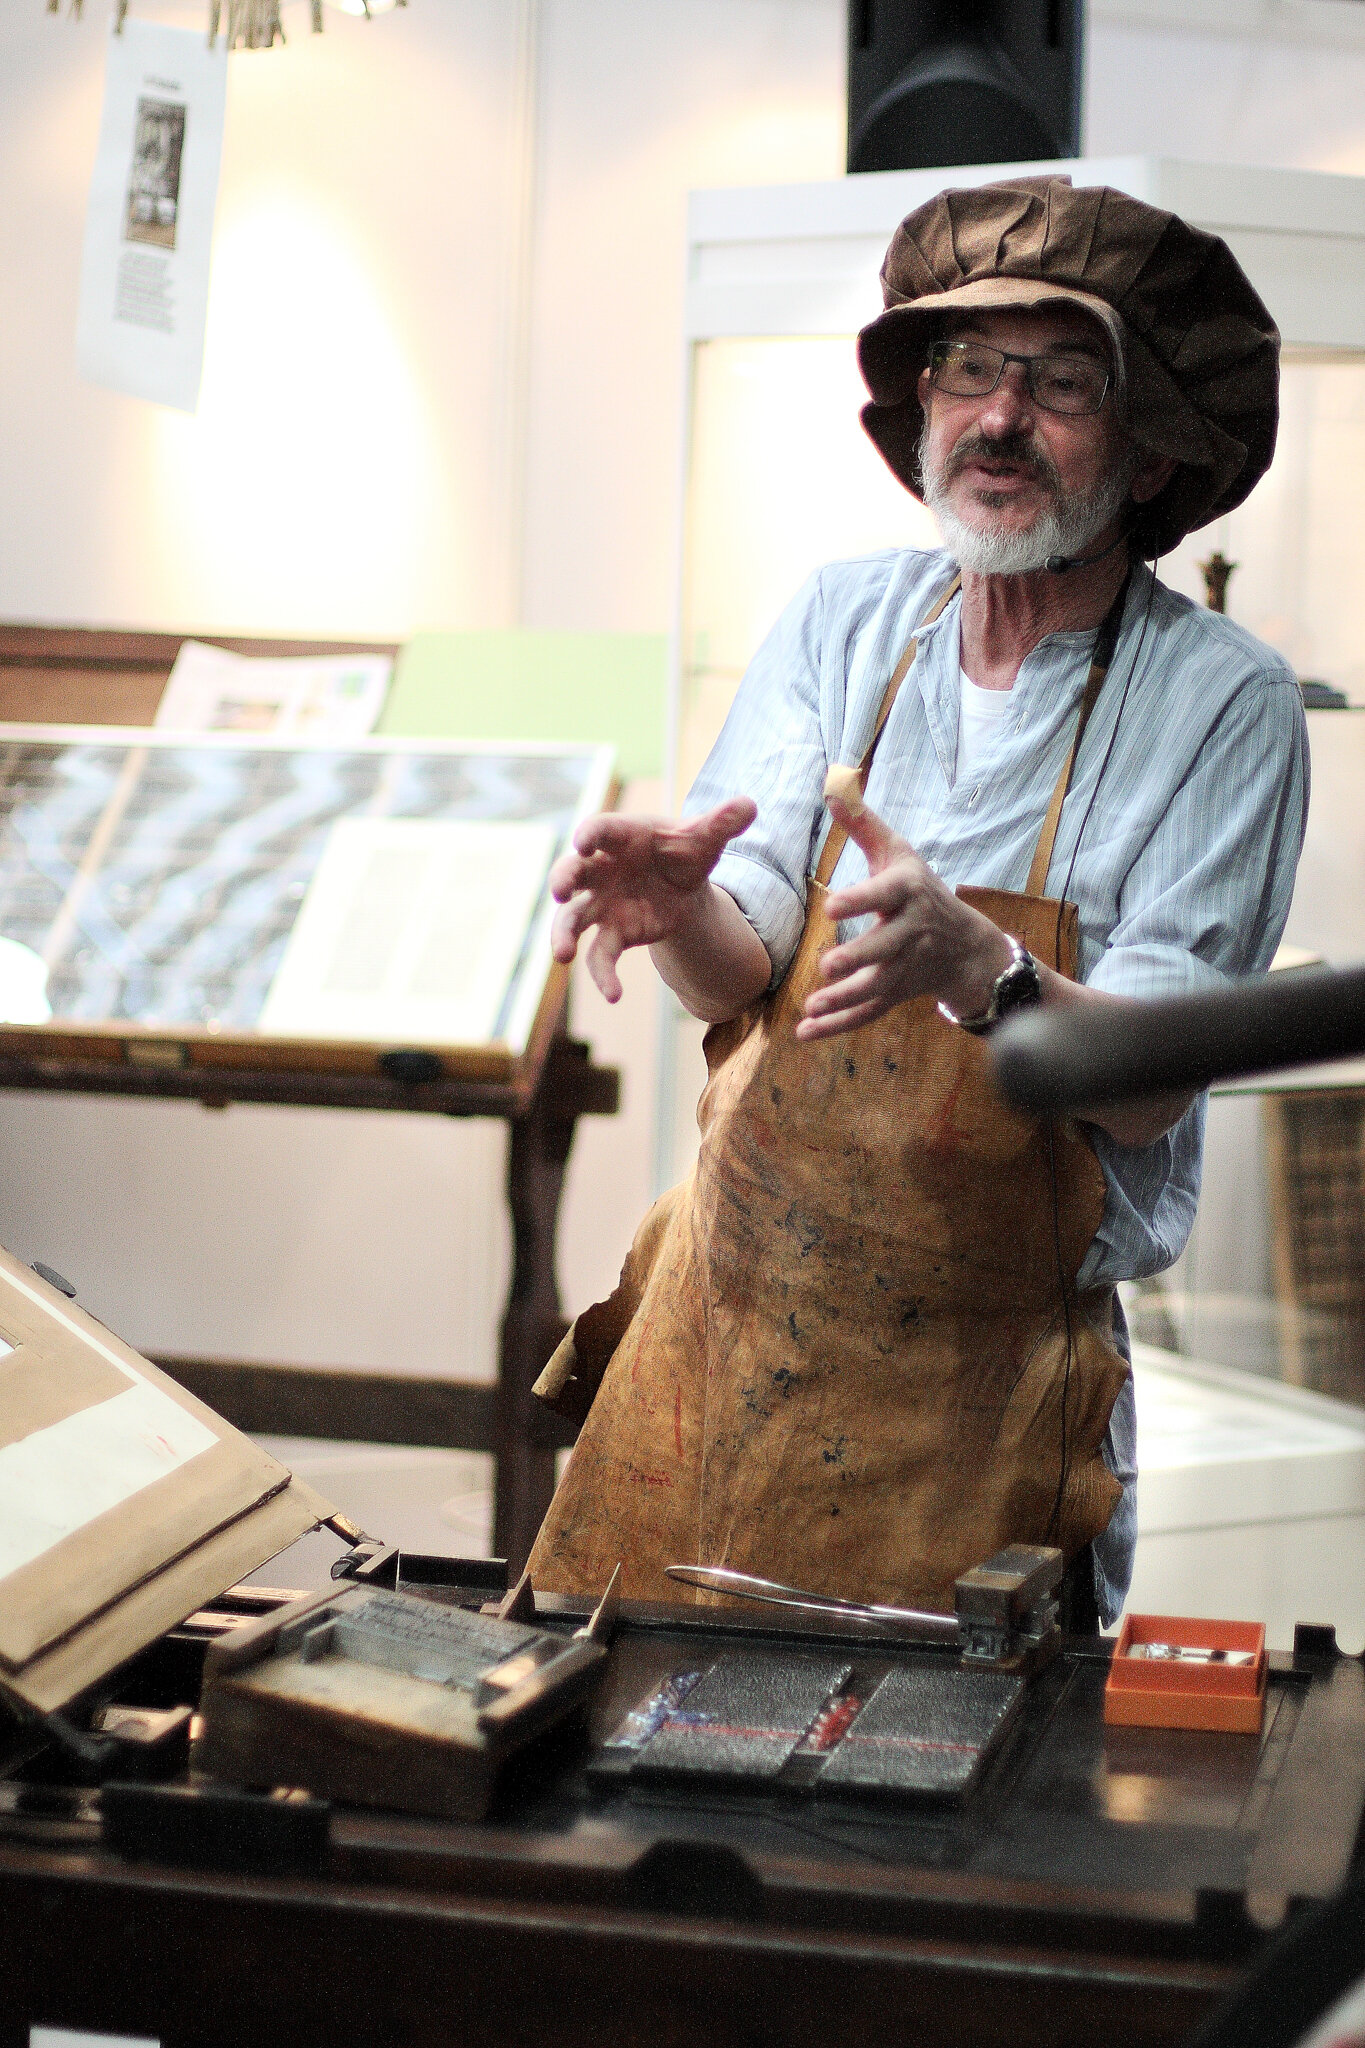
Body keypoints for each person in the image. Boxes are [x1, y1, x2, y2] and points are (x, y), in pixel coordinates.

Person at [526, 175, 1308, 1631]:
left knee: (936, 1831)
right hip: (724, 1338)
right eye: (964, 369)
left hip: (986, 1397)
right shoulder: (843, 617)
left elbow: (1142, 1090)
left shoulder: (1221, 702)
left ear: (1146, 454)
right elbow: (736, 965)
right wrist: (680, 902)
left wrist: (986, 972)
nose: (997, 416)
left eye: (1061, 380)